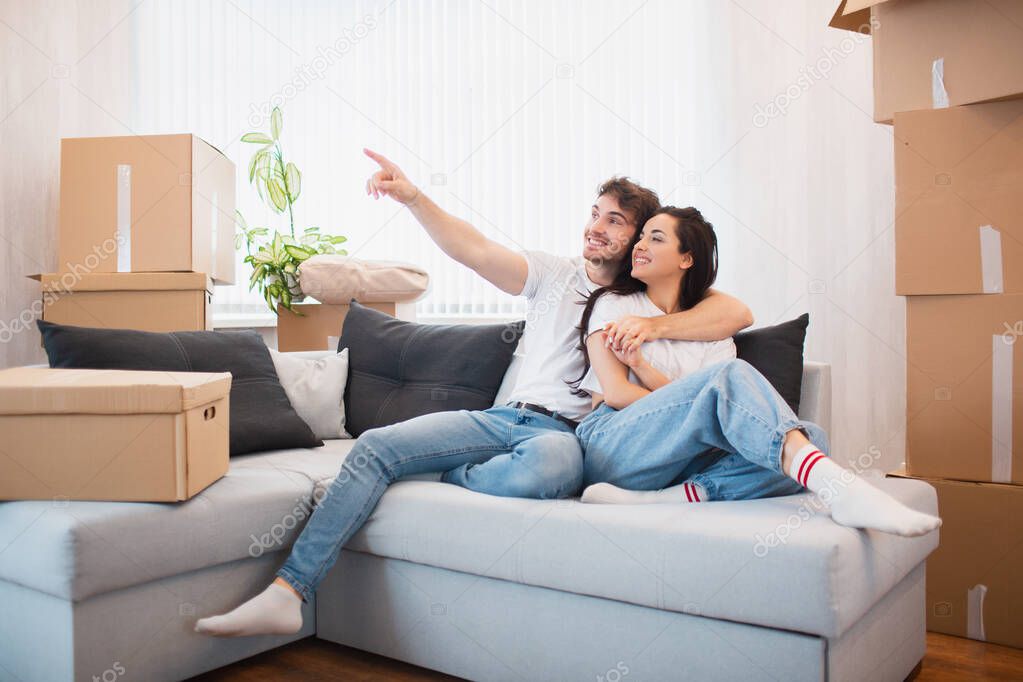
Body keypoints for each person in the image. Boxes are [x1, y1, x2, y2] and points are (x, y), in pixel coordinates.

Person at [194, 150, 754, 637]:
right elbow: (475, 250)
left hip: (569, 436)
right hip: (506, 418)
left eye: (616, 221)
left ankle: (448, 474)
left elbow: (731, 311)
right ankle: (288, 593)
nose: (596, 228)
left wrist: (660, 330)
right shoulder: (556, 275)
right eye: (594, 214)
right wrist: (414, 197)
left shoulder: (641, 302)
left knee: (550, 467)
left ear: (639, 238)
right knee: (375, 448)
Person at [573, 206, 942, 539]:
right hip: (616, 444)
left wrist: (644, 366)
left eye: (655, 238)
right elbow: (619, 394)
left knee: (811, 437)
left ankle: (665, 500)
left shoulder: (711, 328)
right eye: (641, 236)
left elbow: (702, 398)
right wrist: (670, 389)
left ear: (687, 258)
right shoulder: (615, 304)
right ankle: (842, 489)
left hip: (680, 458)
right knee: (731, 383)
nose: (639, 245)